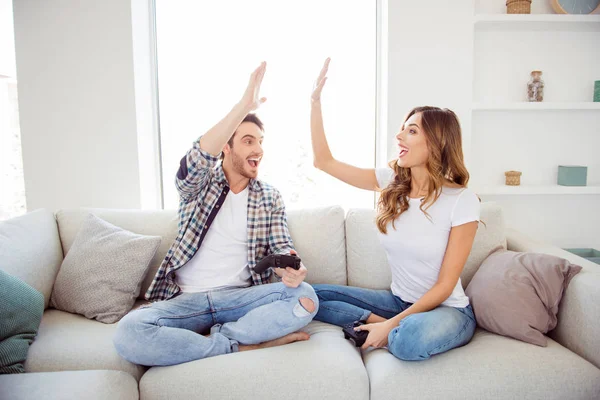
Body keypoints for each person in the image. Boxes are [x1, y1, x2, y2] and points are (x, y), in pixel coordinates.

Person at [113, 62, 318, 366]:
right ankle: (239, 346)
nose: (258, 149)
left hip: (240, 301)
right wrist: (243, 106)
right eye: (249, 140)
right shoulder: (199, 185)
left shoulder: (269, 196)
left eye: (261, 142)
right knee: (129, 332)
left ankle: (223, 338)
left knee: (306, 298)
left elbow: (280, 248)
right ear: (227, 147)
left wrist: (289, 268)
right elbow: (195, 158)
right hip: (186, 302)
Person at [309, 58, 480, 361]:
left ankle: (385, 329)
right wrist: (315, 102)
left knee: (408, 341)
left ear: (437, 142)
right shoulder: (391, 181)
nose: (399, 137)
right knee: (309, 295)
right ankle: (374, 324)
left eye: (411, 131)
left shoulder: (461, 200)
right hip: (399, 302)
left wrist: (392, 326)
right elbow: (324, 162)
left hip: (446, 311)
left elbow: (444, 287)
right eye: (402, 130)